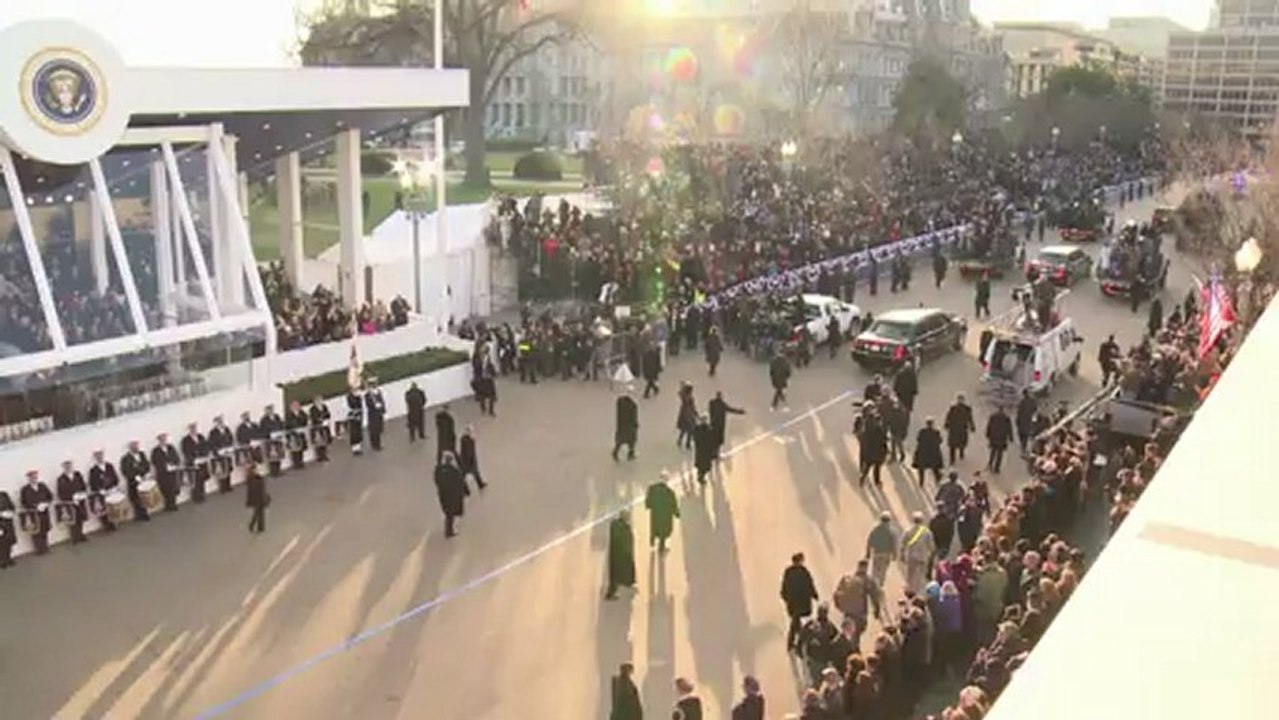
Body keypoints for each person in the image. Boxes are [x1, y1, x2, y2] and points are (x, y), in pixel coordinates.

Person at [832, 560, 883, 646]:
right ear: (866, 568)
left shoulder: (848, 578)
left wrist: (839, 606)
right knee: (857, 633)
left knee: (847, 632)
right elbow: (874, 596)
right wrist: (877, 610)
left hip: (848, 612)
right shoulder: (867, 580)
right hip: (859, 613)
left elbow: (837, 593)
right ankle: (854, 648)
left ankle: (846, 647)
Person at [781, 552, 819, 652]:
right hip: (802, 601)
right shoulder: (803, 571)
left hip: (793, 602)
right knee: (795, 622)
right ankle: (794, 643)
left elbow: (784, 586)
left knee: (795, 620)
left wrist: (785, 597)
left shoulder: (788, 572)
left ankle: (795, 642)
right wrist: (814, 594)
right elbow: (809, 584)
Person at [434, 451, 469, 538]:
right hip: (452, 494)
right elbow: (460, 481)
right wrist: (466, 491)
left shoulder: (439, 469)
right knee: (451, 513)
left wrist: (441, 488)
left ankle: (448, 530)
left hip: (443, 493)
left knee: (447, 511)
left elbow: (437, 480)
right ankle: (449, 531)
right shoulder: (454, 470)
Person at [900, 512, 936, 593]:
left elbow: (903, 543)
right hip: (922, 556)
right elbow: (932, 546)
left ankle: (909, 589)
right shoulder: (927, 532)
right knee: (920, 574)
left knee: (910, 573)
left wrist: (902, 555)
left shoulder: (908, 531)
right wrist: (930, 555)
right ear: (922, 521)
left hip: (911, 556)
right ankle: (917, 590)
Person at [19, 470, 53, 554]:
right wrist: (34, 507)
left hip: (44, 512)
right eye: (31, 477)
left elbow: (50, 496)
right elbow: (23, 502)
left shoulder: (42, 486)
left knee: (44, 529)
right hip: (33, 514)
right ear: (28, 478)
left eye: (35, 477)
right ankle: (39, 549)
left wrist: (45, 504)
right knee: (36, 531)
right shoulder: (25, 489)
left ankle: (46, 547)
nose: (34, 478)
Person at [644, 472, 680, 553]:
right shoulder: (670, 493)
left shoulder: (653, 489)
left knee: (654, 527)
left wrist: (648, 505)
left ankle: (652, 542)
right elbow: (673, 505)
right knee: (663, 531)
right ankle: (661, 546)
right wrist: (677, 513)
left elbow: (648, 501)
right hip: (665, 516)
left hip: (655, 514)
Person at [55, 460, 89, 544]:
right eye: (66, 466)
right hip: (69, 503)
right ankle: (74, 537)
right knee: (72, 520)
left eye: (69, 465)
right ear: (63, 467)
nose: (68, 467)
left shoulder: (77, 475)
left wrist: (81, 495)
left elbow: (83, 486)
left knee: (80, 518)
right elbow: (60, 492)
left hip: (80, 500)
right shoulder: (61, 479)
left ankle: (81, 534)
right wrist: (70, 499)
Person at [605, 509, 636, 600]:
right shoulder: (623, 527)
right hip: (621, 553)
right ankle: (611, 593)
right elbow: (623, 540)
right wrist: (627, 550)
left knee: (617, 573)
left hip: (617, 553)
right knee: (617, 573)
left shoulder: (616, 525)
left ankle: (626, 583)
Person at [854, 403, 888, 487]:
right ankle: (877, 482)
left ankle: (862, 478)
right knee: (877, 467)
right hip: (877, 451)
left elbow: (863, 439)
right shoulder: (878, 430)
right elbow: (883, 440)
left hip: (869, 452)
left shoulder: (866, 430)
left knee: (868, 466)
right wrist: (885, 450)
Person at [87, 450, 120, 533]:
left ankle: (114, 522)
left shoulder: (109, 466)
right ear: (95, 458)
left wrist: (114, 486)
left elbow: (115, 477)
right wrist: (99, 490)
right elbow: (92, 483)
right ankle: (107, 525)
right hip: (101, 492)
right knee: (103, 509)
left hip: (111, 490)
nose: (100, 457)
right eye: (97, 456)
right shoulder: (93, 470)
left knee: (112, 507)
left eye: (101, 455)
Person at [120, 441, 151, 522]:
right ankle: (139, 514)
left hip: (143, 478)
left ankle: (145, 513)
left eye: (137, 446)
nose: (136, 448)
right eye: (134, 446)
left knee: (144, 497)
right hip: (133, 481)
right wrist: (134, 476)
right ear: (130, 448)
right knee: (135, 498)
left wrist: (145, 473)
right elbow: (125, 470)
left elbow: (146, 464)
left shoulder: (142, 454)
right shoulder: (126, 458)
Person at [707, 391, 744, 459]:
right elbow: (731, 409)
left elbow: (710, 411)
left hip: (714, 424)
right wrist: (740, 411)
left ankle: (713, 453)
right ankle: (716, 454)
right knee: (718, 440)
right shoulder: (722, 404)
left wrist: (711, 420)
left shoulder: (712, 403)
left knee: (714, 439)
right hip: (720, 425)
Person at [865, 512, 898, 586]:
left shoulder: (876, 529)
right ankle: (879, 586)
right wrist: (895, 554)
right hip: (886, 554)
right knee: (883, 572)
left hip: (877, 553)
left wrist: (868, 552)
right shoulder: (892, 531)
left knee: (875, 571)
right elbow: (894, 543)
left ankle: (873, 586)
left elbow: (870, 541)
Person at [151, 433, 181, 512]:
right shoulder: (156, 450)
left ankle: (173, 504)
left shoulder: (171, 447)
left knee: (173, 488)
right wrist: (164, 466)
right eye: (162, 439)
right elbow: (154, 461)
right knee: (165, 489)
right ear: (159, 440)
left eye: (165, 439)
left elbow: (176, 457)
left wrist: (173, 464)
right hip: (163, 473)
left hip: (172, 471)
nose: (164, 440)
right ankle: (168, 505)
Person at [181, 422, 210, 502]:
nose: (194, 430)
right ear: (190, 430)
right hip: (193, 462)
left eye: (195, 428)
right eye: (192, 428)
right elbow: (186, 451)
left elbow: (205, 446)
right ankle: (196, 496)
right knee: (195, 480)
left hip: (202, 460)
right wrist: (193, 459)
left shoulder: (200, 437)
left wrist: (204, 455)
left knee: (202, 478)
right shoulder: (186, 440)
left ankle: (202, 494)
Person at [944, 394, 976, 465]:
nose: (960, 401)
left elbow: (970, 418)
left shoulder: (967, 409)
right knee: (953, 445)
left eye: (961, 400)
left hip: (961, 428)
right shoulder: (953, 408)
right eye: (959, 400)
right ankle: (952, 459)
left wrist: (972, 426)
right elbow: (948, 416)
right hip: (954, 428)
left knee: (960, 443)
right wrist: (946, 424)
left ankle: (961, 452)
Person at [912, 417, 945, 487]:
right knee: (935, 467)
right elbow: (940, 441)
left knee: (921, 467)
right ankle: (938, 480)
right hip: (933, 452)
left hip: (923, 452)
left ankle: (921, 482)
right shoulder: (936, 432)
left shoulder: (922, 431)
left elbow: (918, 439)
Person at [209, 415, 236, 491]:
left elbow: (231, 438)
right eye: (219, 421)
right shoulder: (213, 432)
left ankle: (228, 485)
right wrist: (217, 450)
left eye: (221, 421)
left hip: (227, 451)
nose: (221, 422)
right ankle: (223, 487)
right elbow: (212, 443)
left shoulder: (226, 429)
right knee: (222, 469)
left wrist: (230, 446)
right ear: (216, 422)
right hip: (219, 453)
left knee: (228, 468)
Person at [986, 405, 1014, 473]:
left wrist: (988, 434)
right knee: (1000, 454)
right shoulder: (1006, 418)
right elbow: (1009, 428)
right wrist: (1011, 437)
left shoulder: (993, 416)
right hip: (1002, 438)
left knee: (993, 451)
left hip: (994, 436)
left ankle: (990, 464)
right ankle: (997, 467)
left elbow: (989, 426)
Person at [613, 389, 639, 461]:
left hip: (621, 424)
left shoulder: (620, 402)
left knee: (620, 440)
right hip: (629, 425)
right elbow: (634, 416)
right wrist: (635, 424)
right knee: (631, 440)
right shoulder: (633, 405)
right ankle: (630, 454)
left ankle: (615, 452)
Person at [260, 405, 286, 477]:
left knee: (279, 455)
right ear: (266, 411)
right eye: (268, 410)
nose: (270, 411)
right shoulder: (264, 420)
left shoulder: (277, 416)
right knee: (272, 456)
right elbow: (263, 430)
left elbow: (281, 424)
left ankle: (278, 470)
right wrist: (269, 434)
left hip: (278, 438)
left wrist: (281, 432)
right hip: (270, 440)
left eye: (271, 410)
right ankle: (273, 472)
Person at [458, 425, 486, 491]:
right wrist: (471, 460)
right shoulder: (469, 441)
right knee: (472, 472)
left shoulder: (464, 439)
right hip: (469, 460)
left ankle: (478, 485)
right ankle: (478, 485)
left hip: (466, 459)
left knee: (466, 473)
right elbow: (469, 452)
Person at [285, 401, 309, 470]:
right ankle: (296, 463)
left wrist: (300, 417)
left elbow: (305, 419)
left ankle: (301, 462)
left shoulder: (302, 413)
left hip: (301, 433)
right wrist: (295, 428)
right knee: (295, 449)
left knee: (301, 448)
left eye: (297, 405)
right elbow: (288, 424)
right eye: (294, 406)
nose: (296, 407)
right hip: (293, 434)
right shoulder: (289, 414)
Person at [245, 467, 269, 534]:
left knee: (259, 512)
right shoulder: (257, 479)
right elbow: (261, 489)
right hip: (259, 498)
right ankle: (254, 525)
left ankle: (260, 527)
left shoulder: (250, 479)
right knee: (258, 512)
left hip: (256, 498)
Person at [308, 397, 333, 463]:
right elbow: (314, 417)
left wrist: (325, 418)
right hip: (317, 427)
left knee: (325, 441)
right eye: (318, 401)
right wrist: (321, 419)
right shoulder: (312, 409)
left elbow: (328, 414)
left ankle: (325, 455)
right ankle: (319, 456)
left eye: (321, 400)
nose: (320, 402)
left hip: (324, 426)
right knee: (319, 442)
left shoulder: (324, 407)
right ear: (315, 402)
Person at [692, 415, 716, 484]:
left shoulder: (697, 428)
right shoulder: (709, 429)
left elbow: (695, 438)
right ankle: (701, 477)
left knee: (700, 465)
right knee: (705, 466)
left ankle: (700, 475)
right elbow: (712, 441)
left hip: (700, 450)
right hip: (706, 450)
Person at [365, 379, 387, 452]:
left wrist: (383, 409)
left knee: (379, 429)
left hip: (379, 413)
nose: (375, 385)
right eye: (373, 384)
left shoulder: (378, 392)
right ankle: (375, 445)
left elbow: (382, 401)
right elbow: (368, 404)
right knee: (374, 430)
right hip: (373, 414)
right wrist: (374, 405)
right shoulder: (368, 395)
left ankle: (378, 444)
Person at [676, 382, 698, 450]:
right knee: (690, 430)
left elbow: (680, 393)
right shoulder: (689, 398)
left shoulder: (684, 396)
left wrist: (682, 387)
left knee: (684, 429)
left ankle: (680, 441)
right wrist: (695, 413)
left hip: (684, 414)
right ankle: (687, 443)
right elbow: (692, 407)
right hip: (689, 415)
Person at [346, 385, 365, 455]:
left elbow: (360, 405)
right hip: (353, 415)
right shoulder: (350, 397)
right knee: (354, 431)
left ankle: (358, 446)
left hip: (359, 414)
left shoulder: (357, 396)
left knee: (358, 430)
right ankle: (355, 448)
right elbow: (352, 406)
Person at [0, 491, 15, 567]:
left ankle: (8, 558)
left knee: (9, 541)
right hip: (1, 524)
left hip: (8, 523)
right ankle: (2, 561)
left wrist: (10, 512)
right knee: (1, 543)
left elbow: (12, 507)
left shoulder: (4, 494)